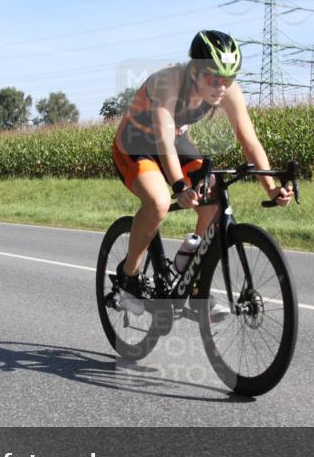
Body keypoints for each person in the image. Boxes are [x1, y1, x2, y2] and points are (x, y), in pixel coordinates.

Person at [111, 29, 293, 315]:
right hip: (136, 143)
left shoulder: (227, 91)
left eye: (228, 79)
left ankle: (193, 284)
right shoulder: (168, 82)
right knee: (158, 203)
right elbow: (163, 141)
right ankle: (128, 276)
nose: (221, 86)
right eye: (213, 77)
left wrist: (271, 187)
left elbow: (249, 139)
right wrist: (180, 186)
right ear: (194, 70)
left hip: (175, 140)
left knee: (213, 202)